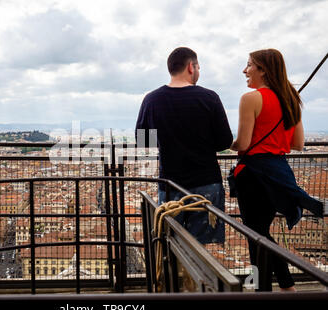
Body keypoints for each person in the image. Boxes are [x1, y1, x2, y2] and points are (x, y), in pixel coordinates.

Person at [230, 48, 323, 291]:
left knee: (255, 235)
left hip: (252, 175)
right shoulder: (291, 100)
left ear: (263, 69)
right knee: (260, 231)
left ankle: (267, 289)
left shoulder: (250, 99)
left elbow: (243, 144)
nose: (244, 70)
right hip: (278, 174)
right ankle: (284, 286)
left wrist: (222, 144)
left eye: (249, 64)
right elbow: (298, 144)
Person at [135, 47, 233, 244]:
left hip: (170, 183)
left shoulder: (152, 99)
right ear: (191, 67)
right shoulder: (209, 97)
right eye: (198, 67)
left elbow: (143, 140)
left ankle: (175, 275)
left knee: (171, 241)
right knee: (201, 245)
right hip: (206, 182)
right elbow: (225, 141)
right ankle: (199, 276)